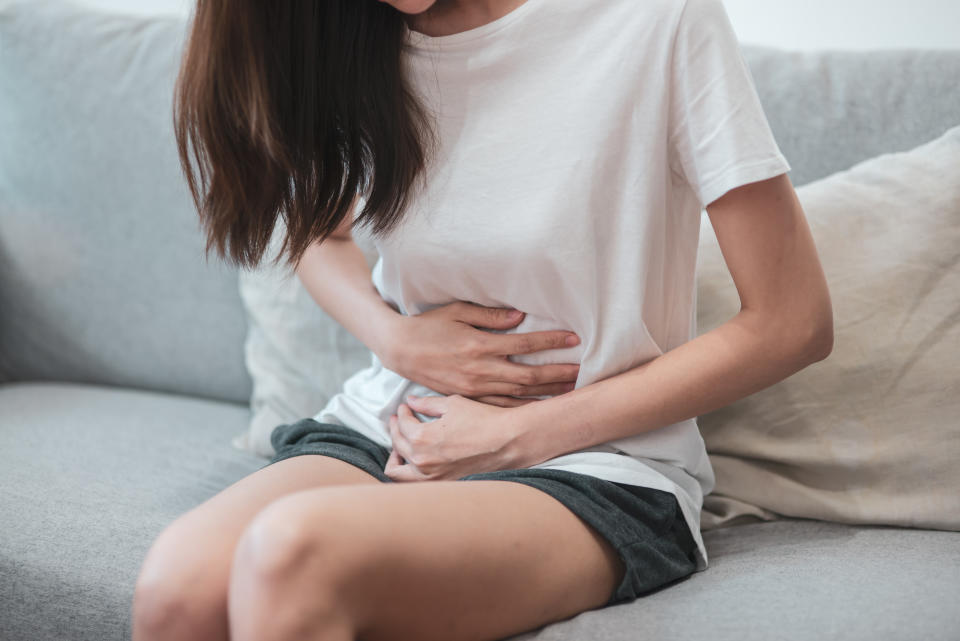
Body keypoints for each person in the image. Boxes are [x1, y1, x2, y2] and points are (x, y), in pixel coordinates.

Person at [133, 0, 834, 640]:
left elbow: (792, 319)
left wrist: (512, 435)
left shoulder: (658, 19)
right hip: (399, 427)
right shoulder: (358, 33)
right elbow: (316, 228)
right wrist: (393, 335)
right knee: (177, 587)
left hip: (600, 464)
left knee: (290, 554)